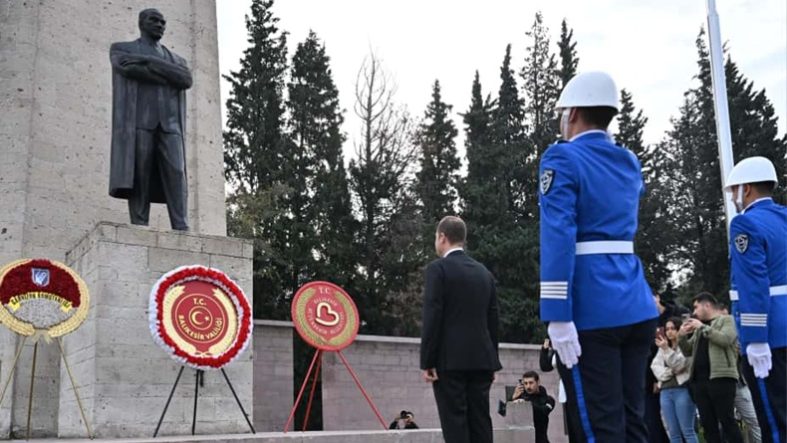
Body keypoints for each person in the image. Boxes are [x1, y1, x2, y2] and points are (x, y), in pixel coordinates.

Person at [538, 71, 659, 442]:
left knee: (600, 428)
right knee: (634, 422)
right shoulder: (628, 161)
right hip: (636, 304)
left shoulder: (562, 157)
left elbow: (558, 235)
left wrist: (557, 313)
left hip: (592, 308)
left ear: (572, 113)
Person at [420, 216, 502, 443]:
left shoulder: (438, 270)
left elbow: (433, 315)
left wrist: (427, 360)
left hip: (450, 361)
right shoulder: (484, 273)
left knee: (455, 424)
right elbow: (493, 319)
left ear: (442, 237)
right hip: (481, 360)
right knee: (481, 423)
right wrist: (493, 361)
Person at [110, 8, 193, 230]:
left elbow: (185, 79)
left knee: (177, 172)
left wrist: (146, 60)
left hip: (171, 125)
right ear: (142, 23)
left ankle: (181, 226)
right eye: (154, 20)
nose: (159, 25)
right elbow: (127, 70)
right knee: (140, 173)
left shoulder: (178, 59)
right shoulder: (122, 49)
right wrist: (168, 75)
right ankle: (139, 225)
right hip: (140, 122)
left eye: (163, 22)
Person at [725, 156, 786, 443]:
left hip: (769, 335)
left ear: (745, 189)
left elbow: (753, 285)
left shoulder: (744, 224)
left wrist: (756, 338)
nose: (732, 198)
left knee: (774, 421)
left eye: (733, 191)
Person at [678, 293, 743, 443]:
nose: (694, 312)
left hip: (721, 378)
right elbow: (687, 350)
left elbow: (725, 339)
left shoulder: (727, 320)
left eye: (696, 307)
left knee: (727, 421)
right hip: (699, 381)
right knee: (708, 425)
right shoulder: (700, 328)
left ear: (707, 305)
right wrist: (681, 336)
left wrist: (702, 327)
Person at [650, 317, 698, 443]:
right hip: (665, 391)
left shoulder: (685, 345)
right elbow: (655, 366)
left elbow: (679, 364)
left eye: (673, 328)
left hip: (682, 389)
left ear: (679, 329)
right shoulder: (662, 347)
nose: (669, 332)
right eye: (667, 329)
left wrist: (667, 350)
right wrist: (670, 372)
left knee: (687, 430)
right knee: (673, 432)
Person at [539, 338, 578, 442]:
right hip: (566, 390)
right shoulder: (556, 350)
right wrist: (545, 349)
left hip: (581, 388)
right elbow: (545, 366)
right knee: (572, 427)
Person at [512, 371, 555, 443]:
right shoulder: (520, 398)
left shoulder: (548, 399)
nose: (528, 386)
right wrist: (513, 398)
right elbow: (504, 414)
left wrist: (526, 404)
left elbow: (544, 411)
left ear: (538, 382)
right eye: (525, 383)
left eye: (531, 383)